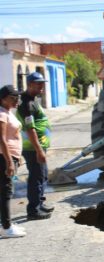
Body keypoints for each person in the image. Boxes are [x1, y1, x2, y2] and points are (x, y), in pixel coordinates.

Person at [16, 72, 54, 220]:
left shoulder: (32, 100)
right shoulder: (27, 104)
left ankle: (39, 203)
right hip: (32, 148)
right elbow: (30, 129)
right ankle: (33, 210)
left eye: (42, 83)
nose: (42, 86)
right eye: (39, 84)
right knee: (36, 178)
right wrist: (39, 150)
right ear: (30, 85)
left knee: (42, 175)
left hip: (36, 146)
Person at [0, 85, 26, 238]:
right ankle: (6, 227)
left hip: (10, 155)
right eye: (13, 97)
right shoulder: (2, 114)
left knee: (4, 190)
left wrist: (18, 156)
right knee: (6, 191)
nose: (17, 100)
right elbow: (2, 138)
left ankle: (5, 223)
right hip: (4, 157)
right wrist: (9, 161)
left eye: (18, 97)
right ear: (3, 99)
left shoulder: (7, 112)